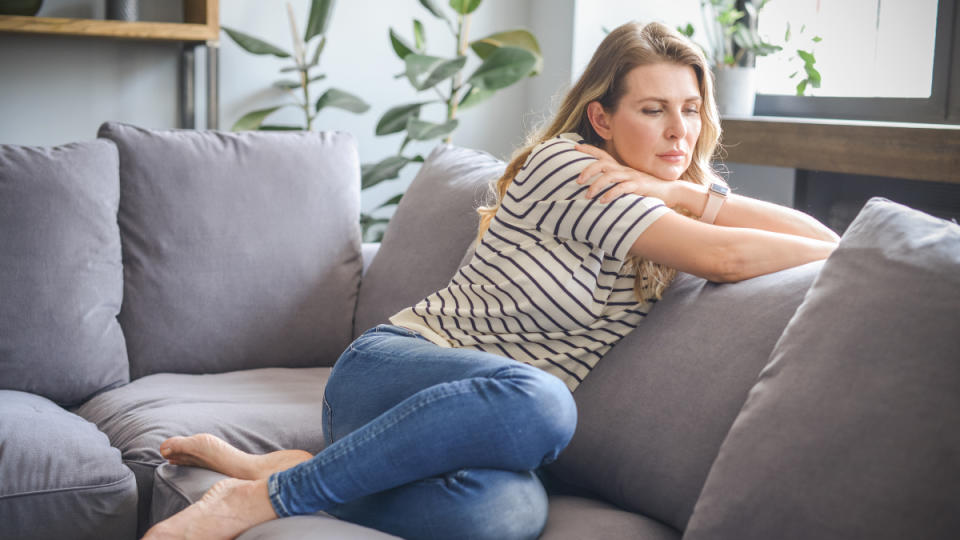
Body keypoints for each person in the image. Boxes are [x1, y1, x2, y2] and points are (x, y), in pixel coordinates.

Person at [143, 20, 839, 540]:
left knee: (504, 513)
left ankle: (285, 471)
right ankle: (260, 501)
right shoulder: (570, 167)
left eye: (690, 109)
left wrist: (688, 194)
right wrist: (682, 199)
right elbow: (730, 259)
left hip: (465, 430)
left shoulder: (657, 200)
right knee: (545, 403)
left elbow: (828, 243)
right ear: (601, 117)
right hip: (395, 373)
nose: (678, 131)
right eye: (652, 109)